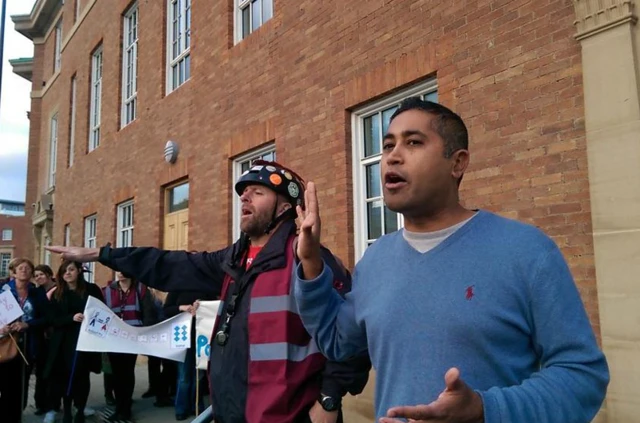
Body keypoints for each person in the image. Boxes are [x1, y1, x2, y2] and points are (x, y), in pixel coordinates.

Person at [292, 97, 610, 423]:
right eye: (387, 146)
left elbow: (583, 375)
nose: (392, 157)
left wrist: (486, 410)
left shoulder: (526, 251)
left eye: (413, 142)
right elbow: (337, 343)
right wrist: (311, 263)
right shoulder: (375, 261)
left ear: (457, 163)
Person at [46, 160, 371, 423]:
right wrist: (101, 254)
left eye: (257, 192)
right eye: (243, 192)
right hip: (234, 411)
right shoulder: (233, 260)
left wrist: (329, 399)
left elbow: (351, 337)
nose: (244, 197)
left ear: (285, 206)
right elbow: (167, 264)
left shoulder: (311, 258)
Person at [44, 261, 104, 423]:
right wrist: (71, 318)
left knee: (82, 376)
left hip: (85, 340)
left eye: (71, 270)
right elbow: (52, 319)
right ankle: (67, 410)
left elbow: (101, 311)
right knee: (64, 376)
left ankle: (80, 409)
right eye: (64, 271)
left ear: (79, 270)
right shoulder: (57, 293)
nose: (67, 273)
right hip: (63, 342)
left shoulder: (92, 290)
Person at [0, 258, 50, 423]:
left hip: (29, 343)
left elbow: (46, 318)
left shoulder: (37, 293)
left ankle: (16, 415)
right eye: (21, 268)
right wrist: (2, 327)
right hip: (5, 343)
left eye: (28, 269)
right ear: (13, 271)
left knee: (21, 382)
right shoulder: (3, 291)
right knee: (5, 381)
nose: (24, 271)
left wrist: (27, 324)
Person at [102, 271, 155, 422]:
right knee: (116, 375)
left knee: (127, 373)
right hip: (113, 339)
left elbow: (148, 314)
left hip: (132, 339)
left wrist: (146, 336)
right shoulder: (107, 291)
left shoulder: (141, 290)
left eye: (123, 270)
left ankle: (125, 408)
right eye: (117, 270)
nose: (119, 273)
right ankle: (119, 408)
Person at [164, 292, 214, 420]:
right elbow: (167, 309)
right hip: (182, 338)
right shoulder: (177, 287)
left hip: (201, 337)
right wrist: (182, 307)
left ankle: (196, 405)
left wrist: (202, 305)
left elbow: (215, 306)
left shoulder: (206, 287)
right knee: (184, 376)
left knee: (199, 375)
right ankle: (181, 408)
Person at [145, 288, 176, 408]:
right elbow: (148, 313)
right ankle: (158, 392)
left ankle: (163, 393)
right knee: (154, 364)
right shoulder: (150, 294)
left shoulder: (172, 292)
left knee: (169, 365)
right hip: (155, 333)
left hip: (170, 333)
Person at [32, 264, 57, 415]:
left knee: (55, 372)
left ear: (49, 274)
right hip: (42, 336)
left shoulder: (60, 289)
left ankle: (54, 403)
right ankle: (41, 404)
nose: (38, 278)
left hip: (56, 336)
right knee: (41, 372)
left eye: (41, 274)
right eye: (36, 276)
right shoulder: (36, 292)